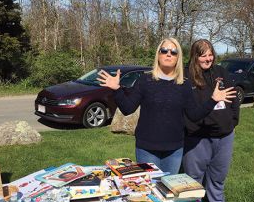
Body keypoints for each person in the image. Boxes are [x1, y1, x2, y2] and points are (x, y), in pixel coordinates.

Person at [97, 38, 236, 175]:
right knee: (150, 190)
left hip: (174, 149)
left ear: (178, 58)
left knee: (168, 191)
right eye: (164, 50)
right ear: (158, 54)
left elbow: (194, 115)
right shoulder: (144, 80)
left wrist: (213, 100)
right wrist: (117, 89)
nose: (168, 54)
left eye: (173, 52)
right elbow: (128, 109)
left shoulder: (184, 84)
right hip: (147, 148)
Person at [183, 39, 240, 202]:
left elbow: (234, 98)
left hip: (224, 134)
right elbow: (186, 108)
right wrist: (191, 128)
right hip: (198, 136)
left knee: (219, 172)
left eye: (210, 54)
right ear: (194, 56)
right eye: (203, 55)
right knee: (194, 174)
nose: (208, 59)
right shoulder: (186, 76)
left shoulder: (221, 72)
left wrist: (232, 120)